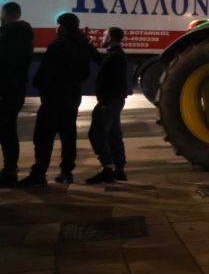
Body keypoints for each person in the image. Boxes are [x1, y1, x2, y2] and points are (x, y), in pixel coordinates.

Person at [19, 13, 100, 187]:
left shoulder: (58, 44)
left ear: (62, 26)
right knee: (68, 135)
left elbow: (46, 71)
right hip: (72, 96)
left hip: (54, 97)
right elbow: (96, 62)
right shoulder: (83, 43)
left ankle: (39, 173)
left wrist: (38, 84)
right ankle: (66, 172)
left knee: (43, 137)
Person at [86, 27, 129, 185]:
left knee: (96, 133)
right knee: (113, 133)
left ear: (110, 37)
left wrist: (104, 100)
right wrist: (89, 46)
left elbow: (109, 77)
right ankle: (119, 169)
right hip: (114, 100)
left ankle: (107, 168)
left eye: (104, 35)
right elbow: (101, 61)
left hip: (109, 101)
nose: (102, 38)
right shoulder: (116, 54)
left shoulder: (115, 56)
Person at [0, 2, 34, 186]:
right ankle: (10, 168)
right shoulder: (24, 35)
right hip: (16, 90)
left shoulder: (7, 37)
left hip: (5, 91)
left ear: (5, 15)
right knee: (8, 130)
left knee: (6, 132)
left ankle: (10, 171)